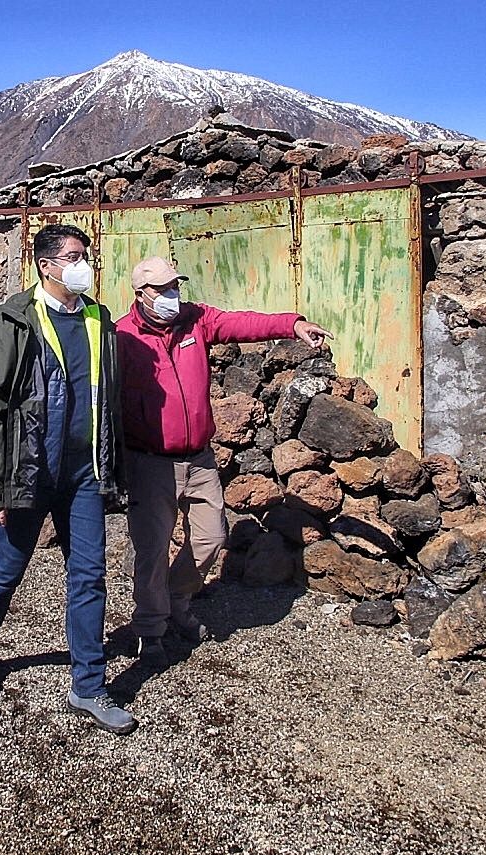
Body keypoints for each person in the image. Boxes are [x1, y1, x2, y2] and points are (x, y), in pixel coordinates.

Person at [0, 223, 135, 734]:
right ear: (47, 265)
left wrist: (115, 467)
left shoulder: (100, 320)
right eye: (76, 257)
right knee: (7, 568)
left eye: (88, 256)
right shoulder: (15, 320)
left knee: (90, 575)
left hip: (85, 472)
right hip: (31, 470)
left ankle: (89, 686)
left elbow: (109, 401)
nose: (86, 265)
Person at [115, 256, 330, 661]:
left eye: (174, 286)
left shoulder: (195, 320)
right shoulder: (122, 338)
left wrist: (292, 324)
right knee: (152, 549)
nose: (172, 296)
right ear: (141, 293)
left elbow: (244, 324)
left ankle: (178, 599)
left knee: (212, 537)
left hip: (199, 458)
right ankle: (151, 630)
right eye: (162, 290)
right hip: (149, 462)